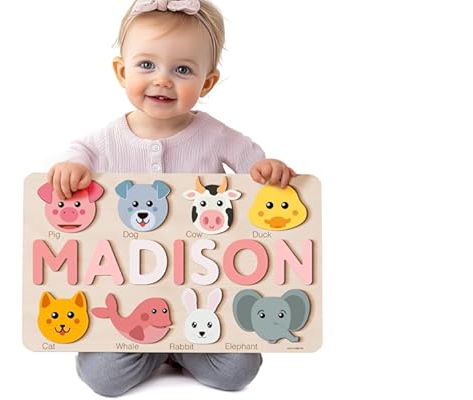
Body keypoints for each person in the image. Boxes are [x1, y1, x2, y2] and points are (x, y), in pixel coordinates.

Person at [48, 0, 296, 396]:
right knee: (103, 378)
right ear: (122, 71)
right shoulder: (105, 141)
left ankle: (182, 349)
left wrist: (268, 171)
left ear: (207, 83)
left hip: (201, 292)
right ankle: (151, 348)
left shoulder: (215, 135)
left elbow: (255, 168)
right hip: (131, 295)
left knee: (238, 372)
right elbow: (79, 152)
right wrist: (71, 166)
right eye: (147, 65)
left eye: (182, 70)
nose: (162, 80)